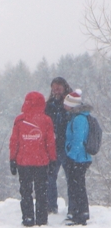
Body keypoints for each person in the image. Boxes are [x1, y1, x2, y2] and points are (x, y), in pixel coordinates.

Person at [9, 91, 56, 227]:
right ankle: (42, 218)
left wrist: (12, 159)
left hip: (23, 162)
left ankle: (28, 217)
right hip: (41, 162)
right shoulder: (46, 120)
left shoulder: (19, 120)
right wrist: (52, 159)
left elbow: (14, 142)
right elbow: (50, 142)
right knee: (41, 191)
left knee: (25, 191)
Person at [63, 89, 93, 225]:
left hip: (79, 159)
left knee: (77, 186)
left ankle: (80, 214)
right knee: (77, 185)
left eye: (66, 103)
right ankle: (80, 212)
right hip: (80, 158)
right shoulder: (77, 117)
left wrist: (71, 156)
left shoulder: (79, 119)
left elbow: (78, 140)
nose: (64, 106)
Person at [45, 77, 73, 214]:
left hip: (68, 146)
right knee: (50, 177)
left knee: (71, 178)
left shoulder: (70, 104)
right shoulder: (49, 105)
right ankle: (51, 206)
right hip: (53, 147)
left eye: (59, 88)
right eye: (54, 88)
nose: (56, 91)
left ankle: (73, 207)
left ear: (64, 88)